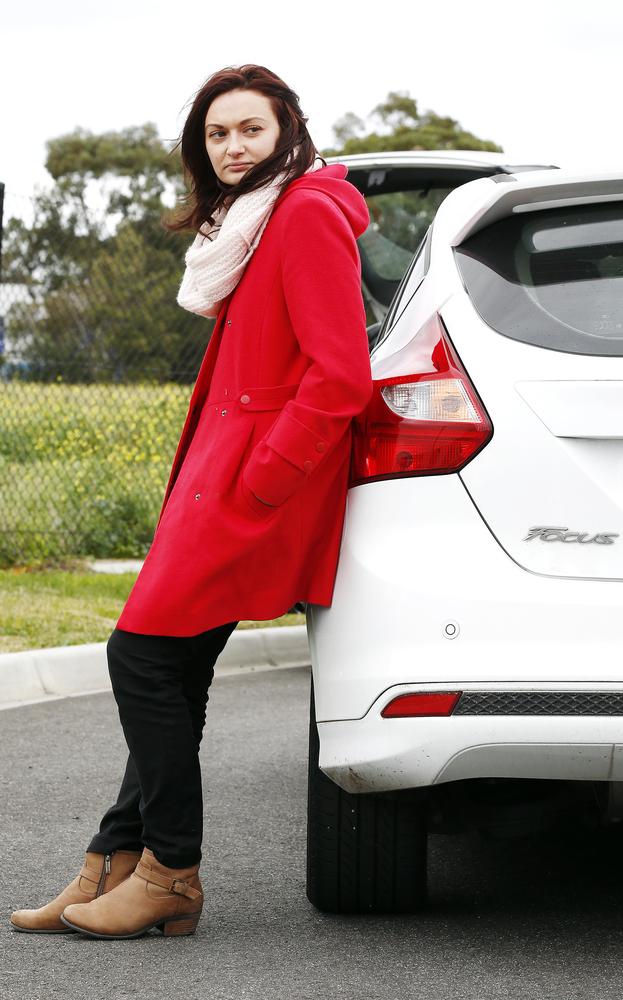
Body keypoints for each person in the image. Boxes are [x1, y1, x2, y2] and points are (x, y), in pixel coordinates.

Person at [10, 63, 373, 940]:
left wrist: (264, 479)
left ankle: (171, 871)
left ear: (287, 126)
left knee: (138, 657)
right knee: (176, 670)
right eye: (217, 134)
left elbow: (339, 376)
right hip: (226, 474)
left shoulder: (307, 214)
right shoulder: (248, 227)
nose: (234, 148)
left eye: (251, 128)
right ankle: (113, 862)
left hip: (254, 486)